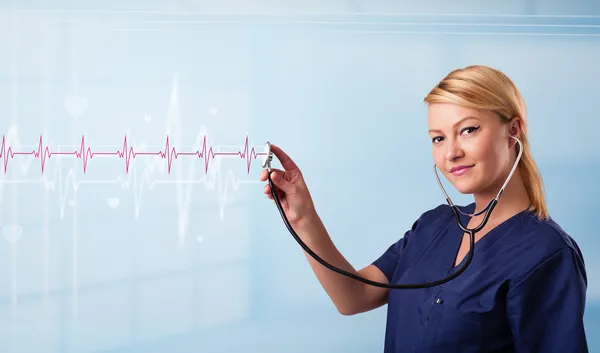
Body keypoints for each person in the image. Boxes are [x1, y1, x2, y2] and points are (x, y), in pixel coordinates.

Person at [259, 65, 588, 352]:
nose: (451, 153)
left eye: (468, 130)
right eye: (438, 138)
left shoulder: (548, 253)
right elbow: (353, 296)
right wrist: (302, 217)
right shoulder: (434, 226)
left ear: (513, 130)